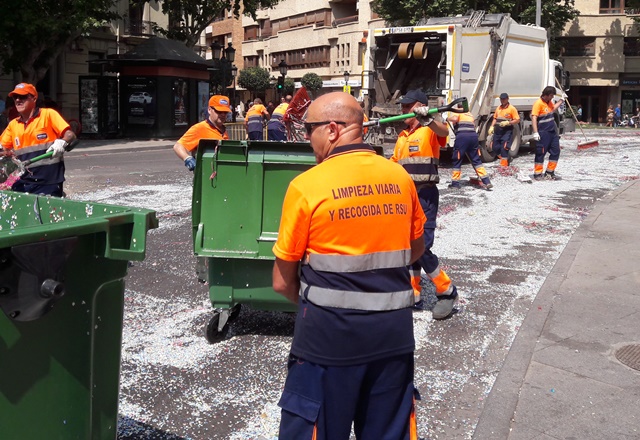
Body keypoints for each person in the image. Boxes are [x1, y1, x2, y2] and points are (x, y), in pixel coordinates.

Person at [272, 91, 425, 440]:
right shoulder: (399, 178)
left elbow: (282, 282)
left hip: (327, 345)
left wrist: (321, 301)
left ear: (331, 129)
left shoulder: (307, 185)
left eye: (308, 129)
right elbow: (415, 249)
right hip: (393, 340)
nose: (307, 139)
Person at [390, 89, 458, 318]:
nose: (402, 111)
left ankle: (446, 290)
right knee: (409, 247)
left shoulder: (428, 130)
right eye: (402, 107)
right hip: (405, 199)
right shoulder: (402, 137)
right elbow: (392, 166)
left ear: (418, 106)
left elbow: (444, 131)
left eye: (407, 107)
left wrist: (428, 118)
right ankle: (414, 295)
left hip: (425, 196)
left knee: (422, 247)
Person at [0, 83, 76, 197]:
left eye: (23, 96)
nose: (18, 100)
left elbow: (70, 135)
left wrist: (62, 142)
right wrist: (6, 154)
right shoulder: (13, 125)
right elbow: (3, 148)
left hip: (49, 182)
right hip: (24, 181)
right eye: (15, 97)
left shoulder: (48, 115)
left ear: (34, 98)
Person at [173, 95, 230, 171]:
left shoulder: (223, 130)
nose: (223, 114)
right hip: (205, 176)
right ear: (209, 110)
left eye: (225, 112)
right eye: (219, 111)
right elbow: (178, 146)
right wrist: (187, 158)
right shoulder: (200, 128)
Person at [448, 110, 493, 189]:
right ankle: (486, 181)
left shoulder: (458, 112)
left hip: (462, 137)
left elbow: (454, 119)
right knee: (476, 160)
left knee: (457, 159)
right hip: (473, 137)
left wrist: (447, 118)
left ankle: (455, 184)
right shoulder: (470, 114)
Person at [531, 86, 564, 180]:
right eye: (552, 96)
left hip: (552, 132)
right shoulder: (538, 104)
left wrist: (561, 100)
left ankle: (549, 172)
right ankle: (537, 174)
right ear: (547, 95)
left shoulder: (549, 103)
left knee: (556, 151)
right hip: (543, 132)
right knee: (540, 152)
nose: (552, 97)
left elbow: (553, 109)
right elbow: (534, 118)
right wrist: (535, 132)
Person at [488, 92, 520, 168]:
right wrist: (491, 126)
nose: (502, 101)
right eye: (501, 99)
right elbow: (495, 118)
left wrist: (508, 122)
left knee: (504, 147)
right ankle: (505, 157)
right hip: (498, 130)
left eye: (504, 99)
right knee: (494, 147)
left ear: (507, 99)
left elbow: (517, 120)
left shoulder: (512, 109)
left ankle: (504, 166)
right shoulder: (498, 108)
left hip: (507, 130)